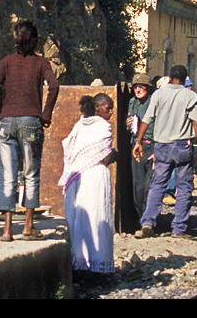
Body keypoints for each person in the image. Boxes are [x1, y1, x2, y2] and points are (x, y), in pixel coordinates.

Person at [0, 20, 59, 242]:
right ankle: (28, 226)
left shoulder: (6, 62)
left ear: (16, 40)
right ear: (36, 41)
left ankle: (7, 230)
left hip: (6, 121)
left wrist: (0, 112)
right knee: (30, 173)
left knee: (7, 174)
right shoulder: (41, 63)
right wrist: (45, 115)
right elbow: (54, 85)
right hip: (31, 121)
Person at [133, 65, 197, 239]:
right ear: (185, 79)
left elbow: (147, 119)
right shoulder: (191, 96)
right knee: (184, 187)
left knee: (157, 185)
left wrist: (138, 141)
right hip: (182, 146)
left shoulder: (158, 95)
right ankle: (179, 229)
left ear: (170, 78)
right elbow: (196, 123)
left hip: (161, 146)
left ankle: (148, 223)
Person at [58, 94, 115, 275]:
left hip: (77, 178)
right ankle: (98, 266)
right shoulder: (104, 127)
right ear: (98, 107)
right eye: (108, 107)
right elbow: (105, 158)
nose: (111, 112)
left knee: (81, 221)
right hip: (95, 176)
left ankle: (80, 264)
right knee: (97, 218)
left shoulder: (79, 124)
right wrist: (116, 154)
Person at [127, 73, 155, 221]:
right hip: (136, 147)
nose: (138, 90)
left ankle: (149, 220)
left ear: (148, 88)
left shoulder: (154, 102)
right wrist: (128, 125)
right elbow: (130, 127)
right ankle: (140, 219)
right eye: (135, 87)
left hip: (152, 146)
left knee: (150, 186)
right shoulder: (132, 102)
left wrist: (158, 149)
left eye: (141, 86)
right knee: (138, 186)